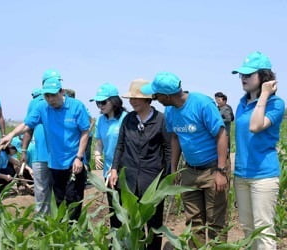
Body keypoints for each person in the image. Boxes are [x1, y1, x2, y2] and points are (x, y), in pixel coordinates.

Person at [141, 72, 229, 246]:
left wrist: (221, 170)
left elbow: (221, 134)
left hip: (213, 169)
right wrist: (174, 169)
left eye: (156, 94)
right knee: (193, 222)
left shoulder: (202, 104)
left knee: (215, 223)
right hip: (190, 170)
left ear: (166, 95)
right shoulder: (170, 110)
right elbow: (175, 137)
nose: (154, 98)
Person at [0, 76, 90, 221]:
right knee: (60, 201)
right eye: (47, 96)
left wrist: (79, 157)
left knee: (73, 199)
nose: (50, 99)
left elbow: (85, 131)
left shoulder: (76, 106)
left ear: (62, 92)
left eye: (53, 95)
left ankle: (75, 233)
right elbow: (27, 124)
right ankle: (63, 233)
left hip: (74, 163)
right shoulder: (42, 108)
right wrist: (10, 135)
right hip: (55, 163)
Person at [108, 79, 171, 249]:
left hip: (152, 180)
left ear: (147, 99)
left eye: (136, 98)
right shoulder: (128, 119)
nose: (132, 101)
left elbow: (168, 149)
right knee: (130, 222)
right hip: (128, 180)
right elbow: (120, 146)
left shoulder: (161, 120)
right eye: (131, 98)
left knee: (154, 223)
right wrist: (114, 169)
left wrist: (167, 178)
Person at [232, 51, 285, 249]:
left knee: (263, 230)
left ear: (264, 77)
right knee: (247, 228)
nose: (243, 78)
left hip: (263, 175)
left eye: (249, 75)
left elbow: (255, 126)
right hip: (241, 175)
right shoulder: (241, 103)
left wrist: (263, 94)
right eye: (241, 75)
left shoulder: (276, 104)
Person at [90, 83, 127, 228]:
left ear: (114, 101)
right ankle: (115, 237)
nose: (100, 106)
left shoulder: (126, 118)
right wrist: (97, 154)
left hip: (124, 170)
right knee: (113, 206)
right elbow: (99, 142)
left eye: (103, 102)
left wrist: (117, 166)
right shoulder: (100, 120)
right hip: (108, 170)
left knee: (125, 206)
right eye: (98, 103)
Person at [21, 86, 51, 215]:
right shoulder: (36, 104)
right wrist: (23, 150)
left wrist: (23, 150)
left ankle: (51, 219)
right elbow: (28, 127)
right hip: (41, 154)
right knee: (42, 189)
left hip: (56, 155)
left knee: (43, 190)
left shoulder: (63, 103)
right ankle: (43, 221)